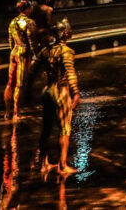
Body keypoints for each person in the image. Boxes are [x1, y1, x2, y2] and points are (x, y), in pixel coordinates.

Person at [36, 19, 80, 179]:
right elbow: (70, 73)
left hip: (47, 90)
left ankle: (44, 163)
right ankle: (62, 165)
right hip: (61, 91)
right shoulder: (66, 51)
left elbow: (33, 69)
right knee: (65, 129)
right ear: (66, 34)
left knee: (46, 129)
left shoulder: (45, 51)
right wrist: (76, 92)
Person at [4, 0, 35, 120]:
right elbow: (31, 42)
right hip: (23, 52)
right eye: (30, 7)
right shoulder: (29, 22)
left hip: (14, 52)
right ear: (27, 9)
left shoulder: (12, 22)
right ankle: (16, 112)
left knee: (10, 83)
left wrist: (13, 51)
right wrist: (34, 55)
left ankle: (7, 112)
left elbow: (10, 41)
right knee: (19, 84)